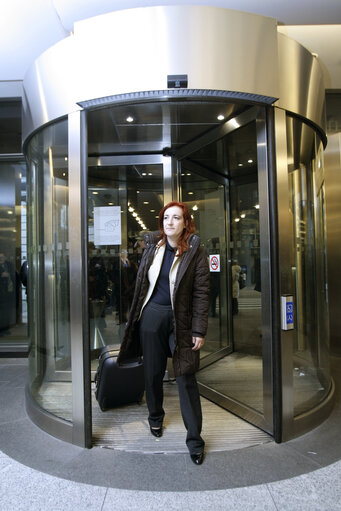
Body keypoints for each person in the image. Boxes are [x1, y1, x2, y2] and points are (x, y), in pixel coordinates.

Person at [118, 201, 210, 465]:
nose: (170, 222)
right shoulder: (152, 247)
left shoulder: (195, 251)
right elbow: (140, 284)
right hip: (152, 316)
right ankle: (155, 417)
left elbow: (202, 293)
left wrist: (198, 329)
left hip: (181, 321)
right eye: (166, 217)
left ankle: (195, 440)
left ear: (185, 223)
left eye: (176, 218)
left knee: (186, 377)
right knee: (153, 372)